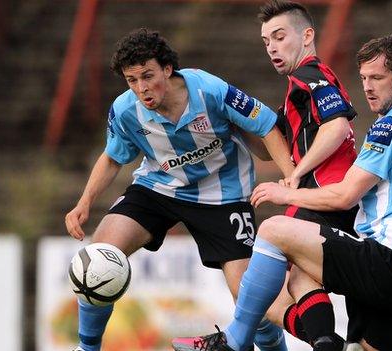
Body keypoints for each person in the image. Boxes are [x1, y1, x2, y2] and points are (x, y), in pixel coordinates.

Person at [174, 35, 392, 351]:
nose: (368, 86)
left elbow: (344, 195)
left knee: (274, 230)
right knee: (299, 278)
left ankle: (234, 341)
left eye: (378, 78)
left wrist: (287, 194)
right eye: (364, 78)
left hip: (390, 262)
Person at [64, 28, 296, 351]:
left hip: (223, 194)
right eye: (132, 80)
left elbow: (267, 125)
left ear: (168, 69)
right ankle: (87, 348)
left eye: (148, 76)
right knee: (98, 256)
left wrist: (292, 181)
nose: (142, 89)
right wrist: (84, 202)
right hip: (159, 189)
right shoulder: (125, 110)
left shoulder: (209, 91)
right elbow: (112, 157)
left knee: (252, 301)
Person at [172, 1, 359, 350]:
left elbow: (337, 126)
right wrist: (233, 124)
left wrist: (295, 177)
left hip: (322, 193)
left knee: (266, 255)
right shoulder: (296, 91)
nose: (272, 46)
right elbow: (270, 147)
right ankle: (328, 344)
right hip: (328, 197)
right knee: (299, 282)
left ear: (307, 35)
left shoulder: (309, 74)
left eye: (279, 36)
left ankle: (234, 339)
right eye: (265, 41)